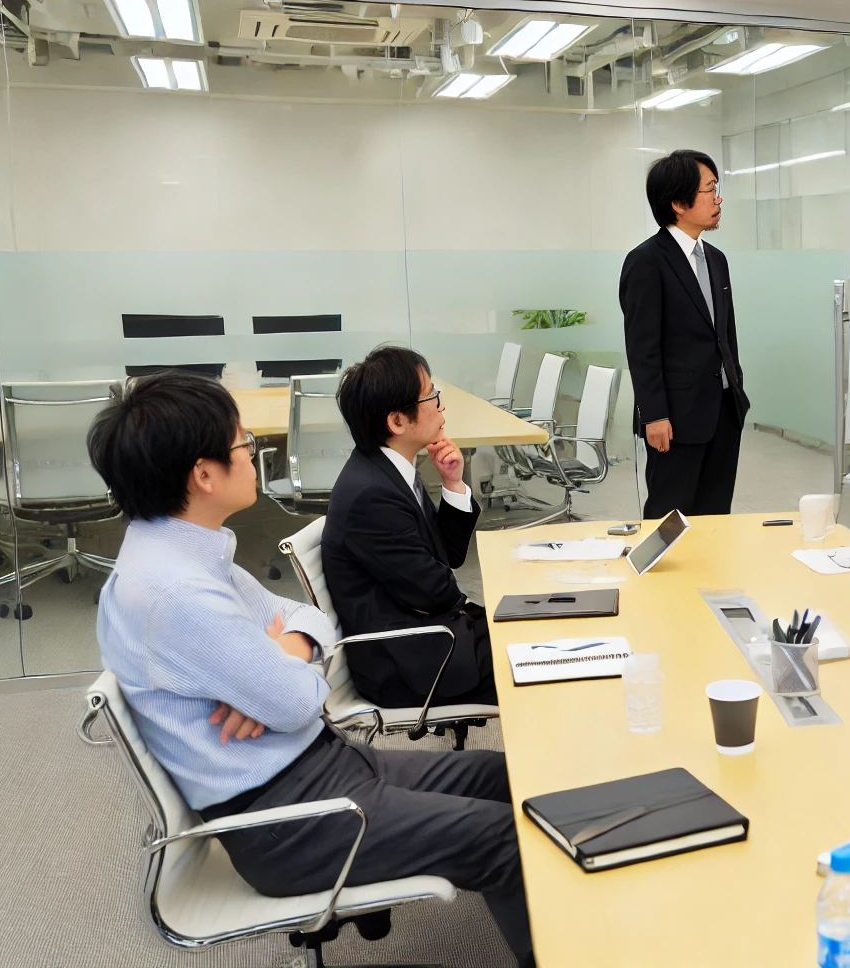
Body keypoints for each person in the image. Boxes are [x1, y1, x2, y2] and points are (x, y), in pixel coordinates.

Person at [89, 372, 533, 967]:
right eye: (244, 444)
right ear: (203, 474)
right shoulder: (175, 594)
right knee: (502, 837)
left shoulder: (183, 551)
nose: (254, 455)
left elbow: (304, 620)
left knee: (506, 777)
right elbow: (298, 701)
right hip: (290, 821)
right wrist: (287, 670)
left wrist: (289, 648)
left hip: (324, 766)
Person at [324, 345, 496, 710]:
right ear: (397, 422)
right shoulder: (371, 495)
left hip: (433, 633)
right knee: (539, 666)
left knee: (537, 635)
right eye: (431, 395)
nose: (440, 404)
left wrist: (452, 483)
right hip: (412, 663)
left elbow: (447, 557)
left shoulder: (390, 470)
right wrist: (435, 586)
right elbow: (439, 591)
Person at [620, 149, 750, 519]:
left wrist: (736, 389)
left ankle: (710, 578)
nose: (718, 198)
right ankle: (660, 579)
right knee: (670, 514)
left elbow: (725, 335)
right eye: (709, 189)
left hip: (724, 411)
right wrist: (654, 414)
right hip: (675, 419)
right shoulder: (646, 262)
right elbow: (642, 348)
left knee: (715, 514)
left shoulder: (716, 259)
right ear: (678, 202)